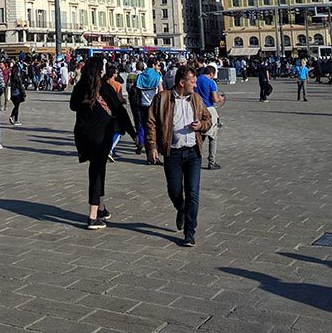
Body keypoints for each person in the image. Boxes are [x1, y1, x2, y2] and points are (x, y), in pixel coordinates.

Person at [145, 66, 212, 247]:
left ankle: (189, 232)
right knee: (174, 190)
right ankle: (181, 209)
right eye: (192, 82)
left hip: (193, 152)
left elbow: (208, 118)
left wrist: (201, 125)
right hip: (172, 152)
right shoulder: (163, 98)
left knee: (193, 192)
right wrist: (151, 146)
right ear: (182, 83)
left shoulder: (196, 99)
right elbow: (150, 122)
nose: (195, 85)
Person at [70, 57, 136, 230]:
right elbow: (120, 112)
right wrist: (134, 134)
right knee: (97, 172)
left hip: (83, 135)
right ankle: (92, 217)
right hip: (101, 136)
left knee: (98, 169)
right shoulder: (104, 87)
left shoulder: (80, 86)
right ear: (99, 70)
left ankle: (101, 207)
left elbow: (72, 106)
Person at [194, 66, 223, 170]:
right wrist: (220, 98)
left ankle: (195, 158)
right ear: (211, 73)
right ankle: (212, 161)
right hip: (209, 109)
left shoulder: (196, 79)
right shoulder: (211, 83)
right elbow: (214, 99)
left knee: (199, 136)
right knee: (212, 137)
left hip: (197, 109)